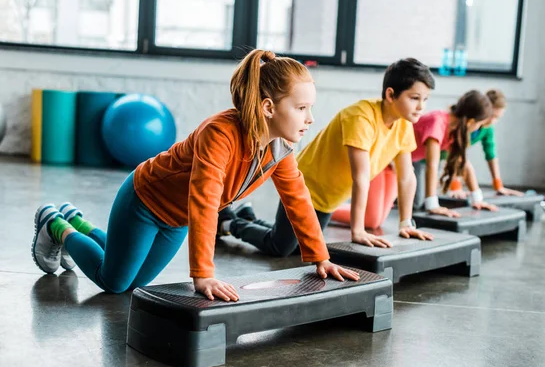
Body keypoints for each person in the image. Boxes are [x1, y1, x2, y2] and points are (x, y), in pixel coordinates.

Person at [30, 49, 359, 301]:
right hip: (144, 202)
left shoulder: (279, 148)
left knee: (136, 282)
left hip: (176, 221)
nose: (310, 118)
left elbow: (298, 199)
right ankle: (56, 226)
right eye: (302, 108)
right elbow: (205, 201)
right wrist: (203, 275)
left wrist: (321, 257)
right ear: (269, 108)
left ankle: (80, 222)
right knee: (115, 283)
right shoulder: (220, 134)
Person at [220, 58, 436, 253]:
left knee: (298, 244)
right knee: (282, 247)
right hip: (307, 186)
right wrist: (358, 230)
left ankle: (247, 217)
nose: (421, 107)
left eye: (425, 99)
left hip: (330, 198)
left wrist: (406, 223)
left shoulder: (403, 125)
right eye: (415, 98)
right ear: (390, 94)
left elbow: (407, 177)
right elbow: (360, 176)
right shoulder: (361, 117)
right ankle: (228, 223)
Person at [412, 90, 498, 217]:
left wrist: (477, 199)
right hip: (386, 160)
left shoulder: (454, 131)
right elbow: (432, 164)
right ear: (470, 122)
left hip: (399, 163)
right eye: (479, 124)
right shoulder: (438, 121)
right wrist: (432, 205)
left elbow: (464, 163)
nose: (479, 128)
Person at [449, 89, 524, 198]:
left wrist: (498, 185)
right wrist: (456, 186)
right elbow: (457, 154)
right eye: (492, 116)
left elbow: (491, 154)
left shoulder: (487, 128)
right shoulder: (466, 123)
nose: (492, 121)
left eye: (497, 118)